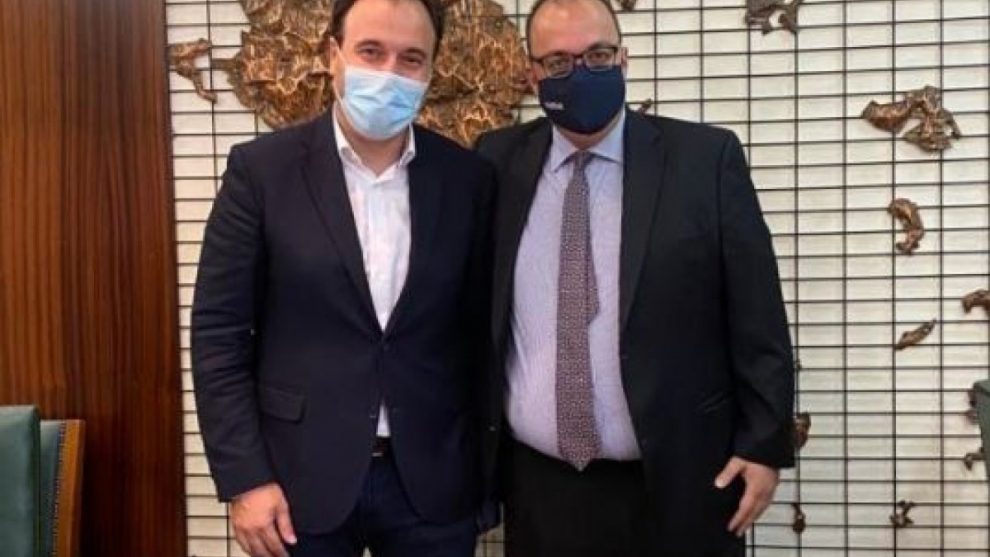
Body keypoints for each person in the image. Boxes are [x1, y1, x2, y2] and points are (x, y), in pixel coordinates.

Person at [475, 0, 795, 554]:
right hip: (537, 489)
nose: (581, 73)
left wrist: (764, 445)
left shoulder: (704, 160)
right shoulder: (497, 161)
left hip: (681, 480)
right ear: (531, 75)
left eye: (598, 55)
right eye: (558, 62)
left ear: (623, 59)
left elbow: (757, 313)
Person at [191, 0, 494, 554]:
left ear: (431, 70)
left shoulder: (468, 180)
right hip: (297, 481)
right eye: (370, 52)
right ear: (333, 55)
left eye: (410, 58)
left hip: (432, 483)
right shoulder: (261, 173)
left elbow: (480, 336)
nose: (389, 73)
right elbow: (218, 335)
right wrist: (245, 478)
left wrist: (485, 480)